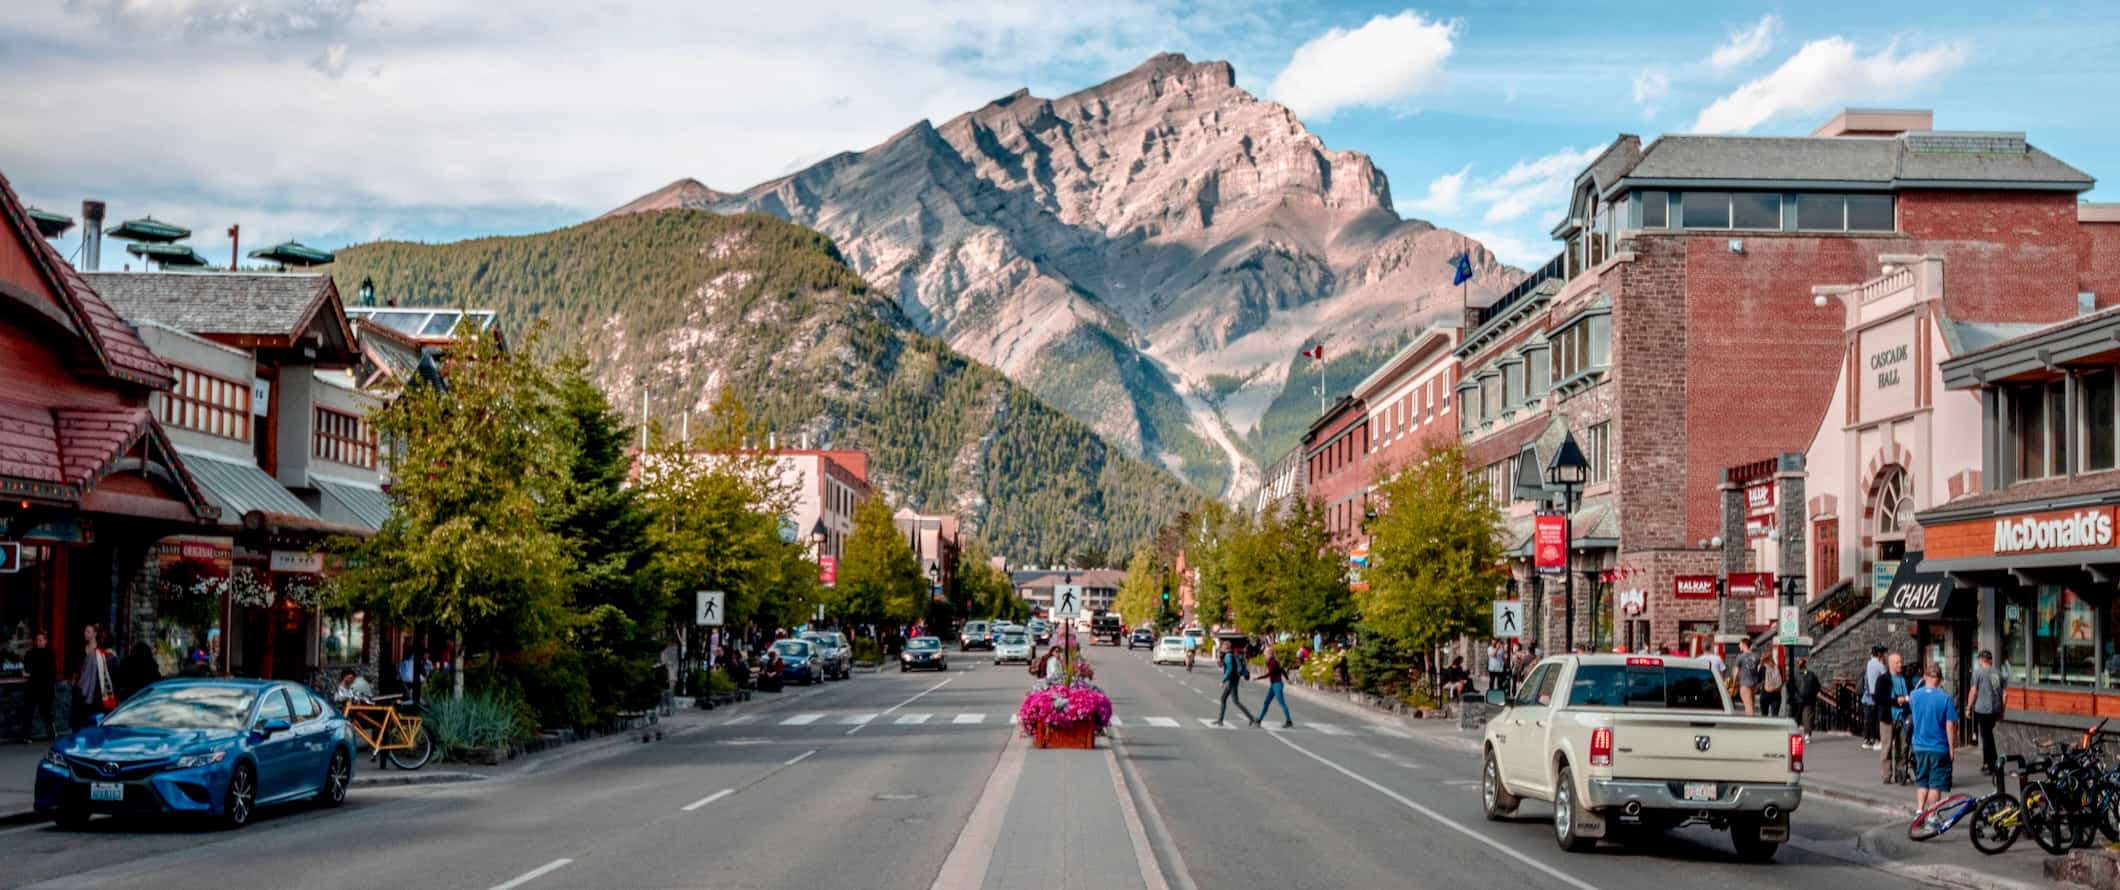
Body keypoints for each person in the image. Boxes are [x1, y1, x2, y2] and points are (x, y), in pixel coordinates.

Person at [1909, 662, 1959, 823]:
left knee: (1922, 780)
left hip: (1919, 745)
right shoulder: (1945, 699)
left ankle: (1919, 811)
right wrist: (1952, 748)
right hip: (1938, 747)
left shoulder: (1914, 696)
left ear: (1925, 677)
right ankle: (1932, 815)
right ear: (1939, 679)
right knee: (1935, 784)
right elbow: (1950, 725)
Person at [1967, 650, 2007, 775]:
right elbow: (2004, 694)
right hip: (1994, 709)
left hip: (1982, 709)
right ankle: (1987, 764)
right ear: (1990, 660)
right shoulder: (1997, 673)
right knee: (1988, 736)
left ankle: (1993, 765)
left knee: (1986, 738)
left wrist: (1968, 707)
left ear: (1981, 660)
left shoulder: (1978, 673)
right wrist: (2002, 710)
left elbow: (1973, 691)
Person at [1877, 651, 1911, 783]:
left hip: (1903, 717)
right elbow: (1878, 698)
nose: (1900, 664)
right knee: (1887, 748)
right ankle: (1886, 775)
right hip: (1888, 718)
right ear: (1890, 664)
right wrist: (1896, 700)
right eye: (1897, 662)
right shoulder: (1883, 679)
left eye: (1901, 662)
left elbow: (1912, 693)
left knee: (1903, 747)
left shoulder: (1905, 678)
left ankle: (1900, 774)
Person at [72, 624, 115, 727]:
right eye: (85, 631)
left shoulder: (101, 650)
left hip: (96, 687)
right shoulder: (81, 648)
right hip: (81, 686)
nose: (85, 634)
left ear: (95, 634)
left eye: (88, 632)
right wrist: (74, 680)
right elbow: (77, 666)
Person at [19, 631, 55, 741]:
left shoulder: (49, 654)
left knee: (46, 712)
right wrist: (31, 672)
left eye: (41, 640)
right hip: (32, 687)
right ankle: (26, 736)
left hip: (45, 688)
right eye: (37, 640)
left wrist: (32, 672)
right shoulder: (30, 653)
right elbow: (26, 670)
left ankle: (51, 735)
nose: (39, 642)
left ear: (46, 641)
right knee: (28, 712)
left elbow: (50, 672)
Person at [1213, 641, 1258, 727]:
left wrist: (1223, 681)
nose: (1221, 648)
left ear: (1226, 648)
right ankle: (1220, 720)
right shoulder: (1231, 655)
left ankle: (1252, 719)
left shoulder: (1228, 656)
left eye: (1222, 647)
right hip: (1233, 680)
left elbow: (1230, 669)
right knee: (1226, 700)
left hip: (1232, 681)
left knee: (1234, 701)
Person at [1258, 648, 1293, 728]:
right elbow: (1282, 670)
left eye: (1265, 653)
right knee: (1266, 702)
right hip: (1273, 685)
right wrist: (1287, 679)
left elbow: (1270, 673)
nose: (1264, 654)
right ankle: (1259, 719)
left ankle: (1289, 721)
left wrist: (1259, 678)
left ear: (1269, 654)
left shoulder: (1273, 662)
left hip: (1277, 685)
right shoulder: (1271, 661)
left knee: (1282, 703)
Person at [1862, 645, 1888, 750]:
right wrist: (1884, 663)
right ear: (1880, 654)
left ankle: (1870, 739)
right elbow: (1887, 677)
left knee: (1871, 718)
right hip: (1879, 693)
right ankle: (1878, 740)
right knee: (1879, 717)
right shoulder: (1879, 665)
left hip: (1871, 694)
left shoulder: (1869, 663)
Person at [1788, 657, 1820, 739]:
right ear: (1805, 664)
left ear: (1797, 664)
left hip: (1797, 699)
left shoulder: (1794, 674)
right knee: (1807, 716)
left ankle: (1794, 733)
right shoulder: (1811, 673)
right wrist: (1812, 694)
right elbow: (1818, 686)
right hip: (1809, 699)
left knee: (1796, 717)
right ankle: (1807, 735)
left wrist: (1792, 696)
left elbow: (1789, 686)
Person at [1732, 638, 1763, 715]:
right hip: (1754, 685)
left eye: (1740, 644)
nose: (1739, 646)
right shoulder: (1757, 656)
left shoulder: (1740, 657)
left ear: (1744, 644)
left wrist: (1733, 683)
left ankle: (1751, 724)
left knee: (1749, 708)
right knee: (1750, 705)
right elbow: (1760, 669)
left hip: (1745, 684)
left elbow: (1736, 672)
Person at [1760, 652, 1784, 717]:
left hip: (1765, 694)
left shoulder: (1763, 668)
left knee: (1764, 715)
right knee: (1775, 715)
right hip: (1776, 694)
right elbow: (1782, 680)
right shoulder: (1778, 668)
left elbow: (1758, 679)